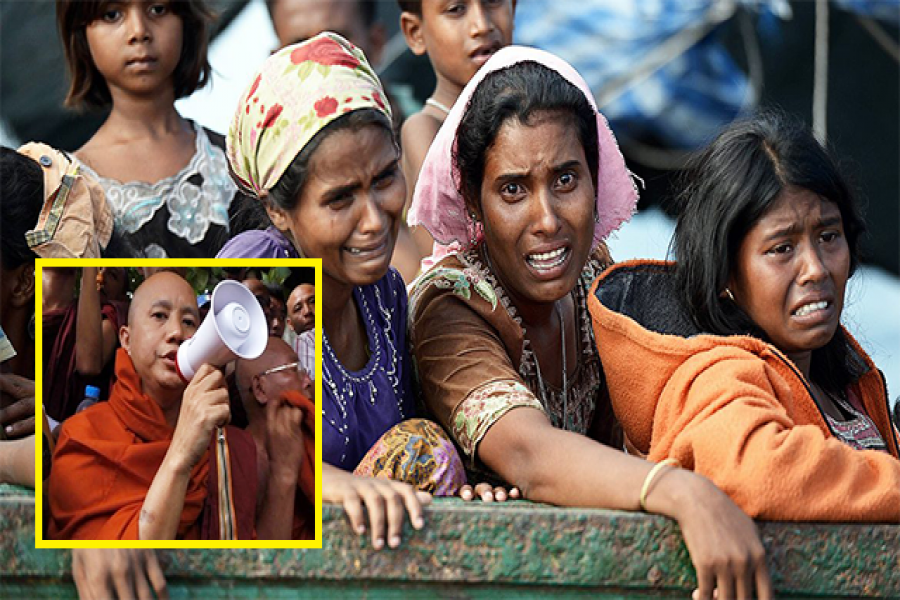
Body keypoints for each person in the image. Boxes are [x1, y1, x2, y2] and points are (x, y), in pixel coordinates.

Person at [408, 46, 771, 599]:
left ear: (594, 180)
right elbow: (529, 454)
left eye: (565, 179)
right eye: (512, 190)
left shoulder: (595, 278)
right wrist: (683, 492)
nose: (547, 219)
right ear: (474, 206)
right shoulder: (450, 305)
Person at [218, 33, 473, 550]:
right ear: (279, 212)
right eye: (340, 199)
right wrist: (332, 483)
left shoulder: (387, 297)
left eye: (384, 179)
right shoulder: (257, 270)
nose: (375, 220)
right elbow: (209, 439)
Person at [589, 111, 900, 521]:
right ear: (725, 273)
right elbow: (761, 471)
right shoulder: (718, 375)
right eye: (781, 248)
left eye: (828, 236)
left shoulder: (839, 378)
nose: (816, 269)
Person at [48, 272, 264, 540]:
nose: (176, 333)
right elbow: (115, 563)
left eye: (188, 322)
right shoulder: (84, 435)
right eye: (160, 315)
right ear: (125, 339)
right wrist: (181, 454)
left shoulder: (228, 446)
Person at [55, 0, 241, 258]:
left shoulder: (238, 166)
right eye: (112, 15)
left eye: (158, 9)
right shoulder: (63, 188)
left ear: (185, 20)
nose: (139, 31)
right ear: (81, 34)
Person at [398, 0, 515, 272]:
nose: (482, 25)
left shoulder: (538, 114)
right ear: (415, 32)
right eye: (456, 9)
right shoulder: (425, 131)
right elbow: (454, 269)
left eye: (493, 2)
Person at [235, 337, 315, 539]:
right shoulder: (233, 456)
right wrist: (284, 474)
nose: (308, 382)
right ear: (260, 389)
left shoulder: (310, 440)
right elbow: (255, 561)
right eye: (294, 369)